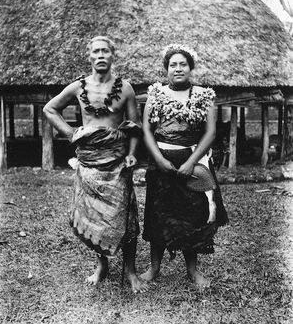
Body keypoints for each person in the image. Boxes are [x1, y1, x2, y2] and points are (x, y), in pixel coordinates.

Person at [43, 36, 148, 293]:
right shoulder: (78, 87)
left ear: (113, 55)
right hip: (89, 161)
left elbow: (134, 127)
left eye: (105, 51)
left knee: (126, 216)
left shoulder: (126, 88)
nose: (100, 55)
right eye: (96, 51)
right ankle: (101, 266)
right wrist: (70, 134)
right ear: (88, 56)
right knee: (93, 216)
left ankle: (130, 270)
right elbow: (50, 109)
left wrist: (132, 153)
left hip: (117, 162)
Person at [141, 44, 229, 287]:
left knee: (193, 214)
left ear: (190, 68)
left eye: (183, 64)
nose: (177, 69)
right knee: (159, 213)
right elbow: (147, 131)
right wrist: (159, 159)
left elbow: (210, 133)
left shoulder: (204, 95)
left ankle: (192, 271)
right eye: (173, 65)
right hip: (161, 163)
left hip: (193, 161)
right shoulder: (155, 95)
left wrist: (191, 162)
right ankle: (154, 268)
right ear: (166, 69)